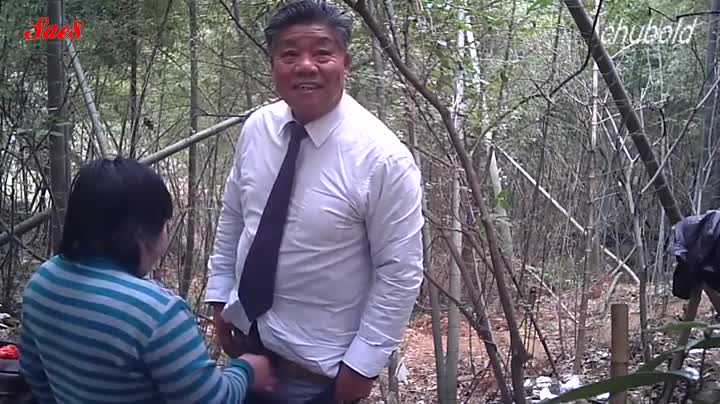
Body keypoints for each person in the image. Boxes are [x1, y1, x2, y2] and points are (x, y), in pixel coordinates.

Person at [204, 0, 425, 402]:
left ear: (346, 63)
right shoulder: (258, 129)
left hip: (319, 377)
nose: (306, 66)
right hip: (246, 357)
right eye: (289, 54)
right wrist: (220, 295)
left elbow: (399, 271)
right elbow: (235, 215)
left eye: (322, 53)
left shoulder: (382, 159)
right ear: (272, 64)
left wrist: (363, 366)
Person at [17, 157, 275, 404]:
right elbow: (212, 400)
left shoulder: (42, 282)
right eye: (164, 223)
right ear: (141, 232)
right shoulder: (158, 313)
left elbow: (34, 375)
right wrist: (246, 370)